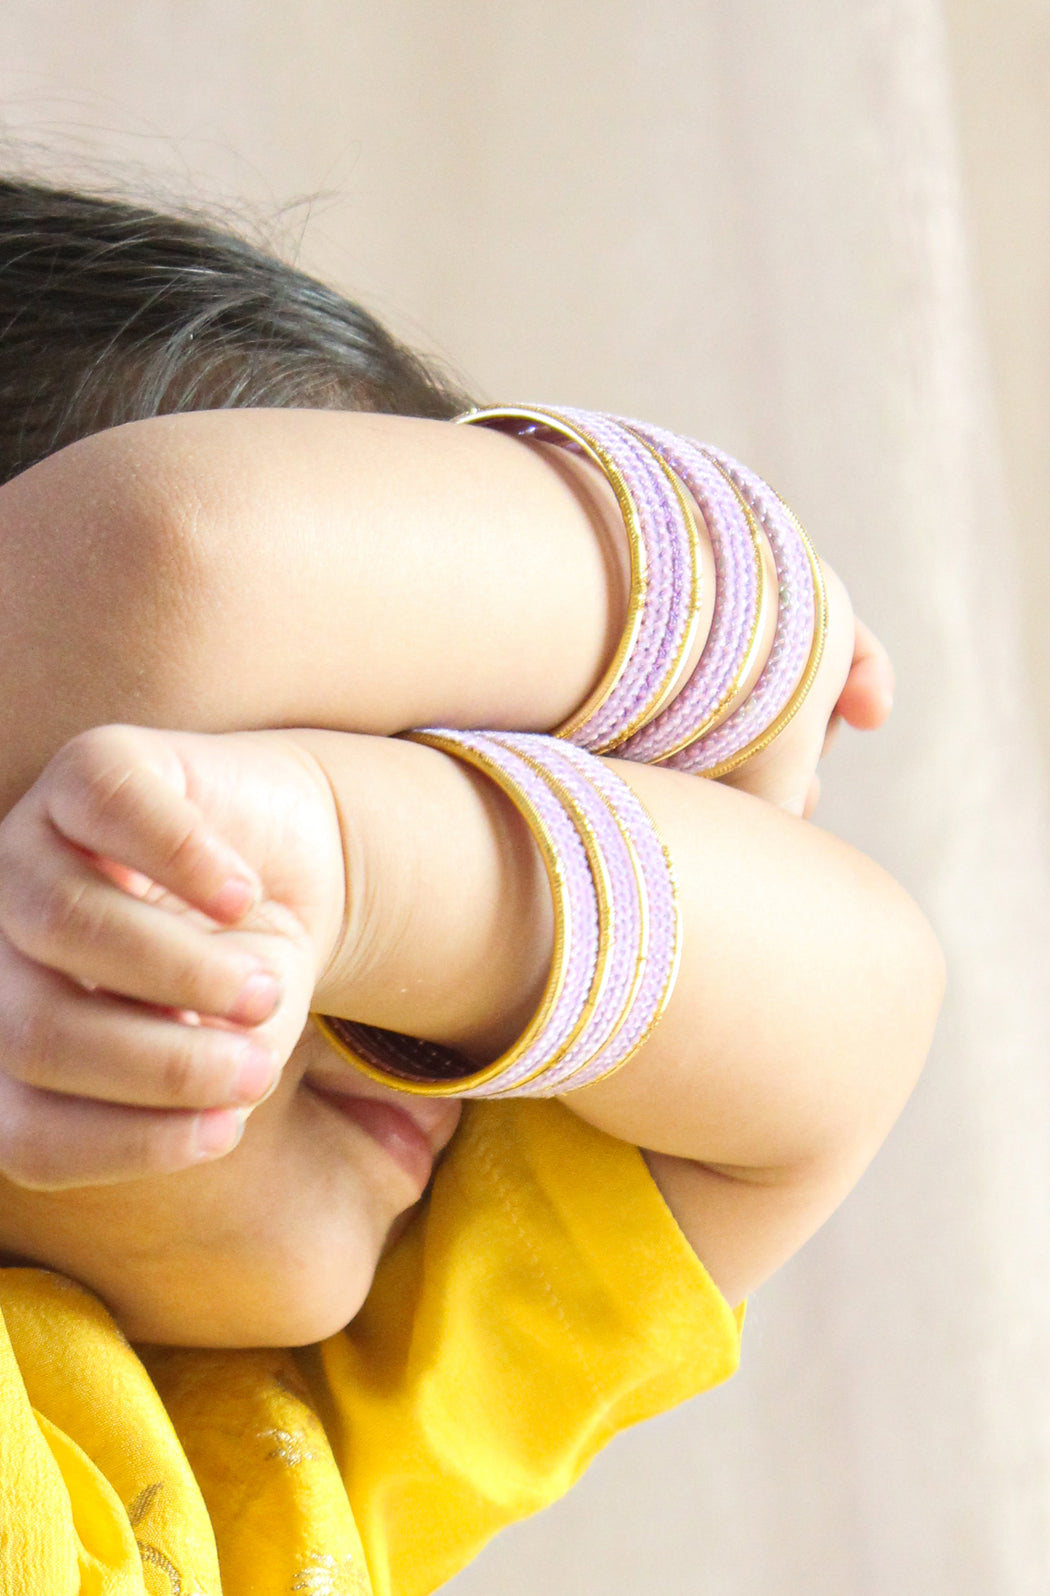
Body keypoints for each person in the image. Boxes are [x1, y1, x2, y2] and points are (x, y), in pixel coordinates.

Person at [0, 178, 945, 1595]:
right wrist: (749, 614)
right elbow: (156, 564)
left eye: (495, 788)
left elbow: (855, 1011)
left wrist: (372, 870)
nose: (428, 1021)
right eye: (327, 759)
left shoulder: (269, 1464)